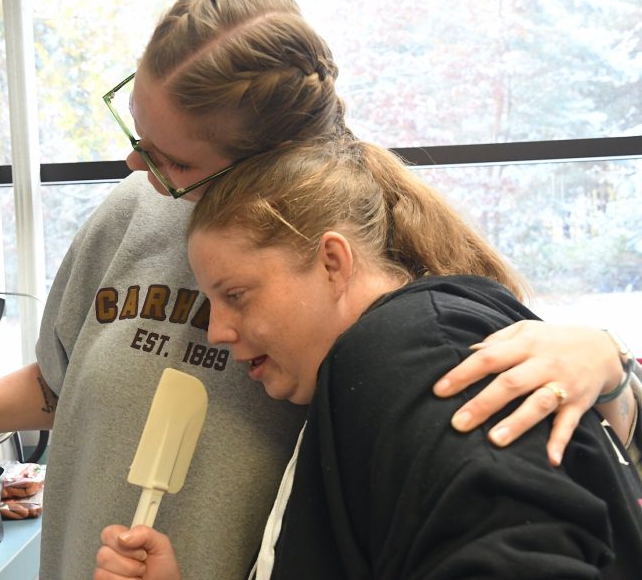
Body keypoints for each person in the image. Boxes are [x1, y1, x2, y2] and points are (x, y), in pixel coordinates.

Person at [0, 0, 637, 578]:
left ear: (271, 169)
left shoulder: (371, 294)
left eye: (174, 159)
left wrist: (607, 364)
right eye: (138, 135)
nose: (137, 167)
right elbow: (62, 383)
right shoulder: (131, 214)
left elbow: (522, 439)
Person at [96, 137, 642, 579]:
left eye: (236, 295)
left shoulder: (407, 348)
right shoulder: (383, 362)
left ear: (333, 262)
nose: (217, 331)